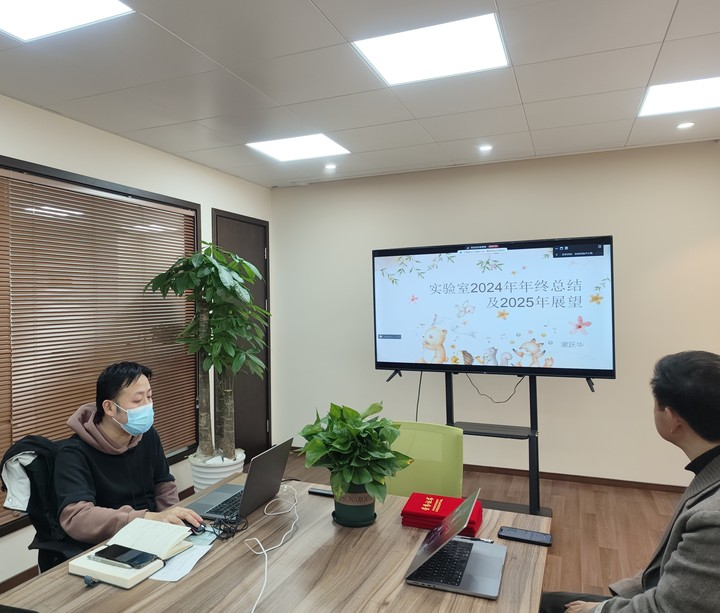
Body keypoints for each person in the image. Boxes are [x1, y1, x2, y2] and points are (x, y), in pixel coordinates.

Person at [540, 350, 720, 613]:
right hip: (662, 594)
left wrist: (598, 610)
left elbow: (668, 607)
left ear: (672, 419)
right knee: (543, 601)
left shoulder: (713, 519)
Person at [55, 361, 203, 545]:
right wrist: (146, 519)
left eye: (149, 396)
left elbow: (163, 484)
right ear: (109, 407)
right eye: (137, 400)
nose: (147, 406)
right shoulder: (74, 453)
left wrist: (174, 522)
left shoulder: (147, 436)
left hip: (154, 535)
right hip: (108, 545)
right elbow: (77, 518)